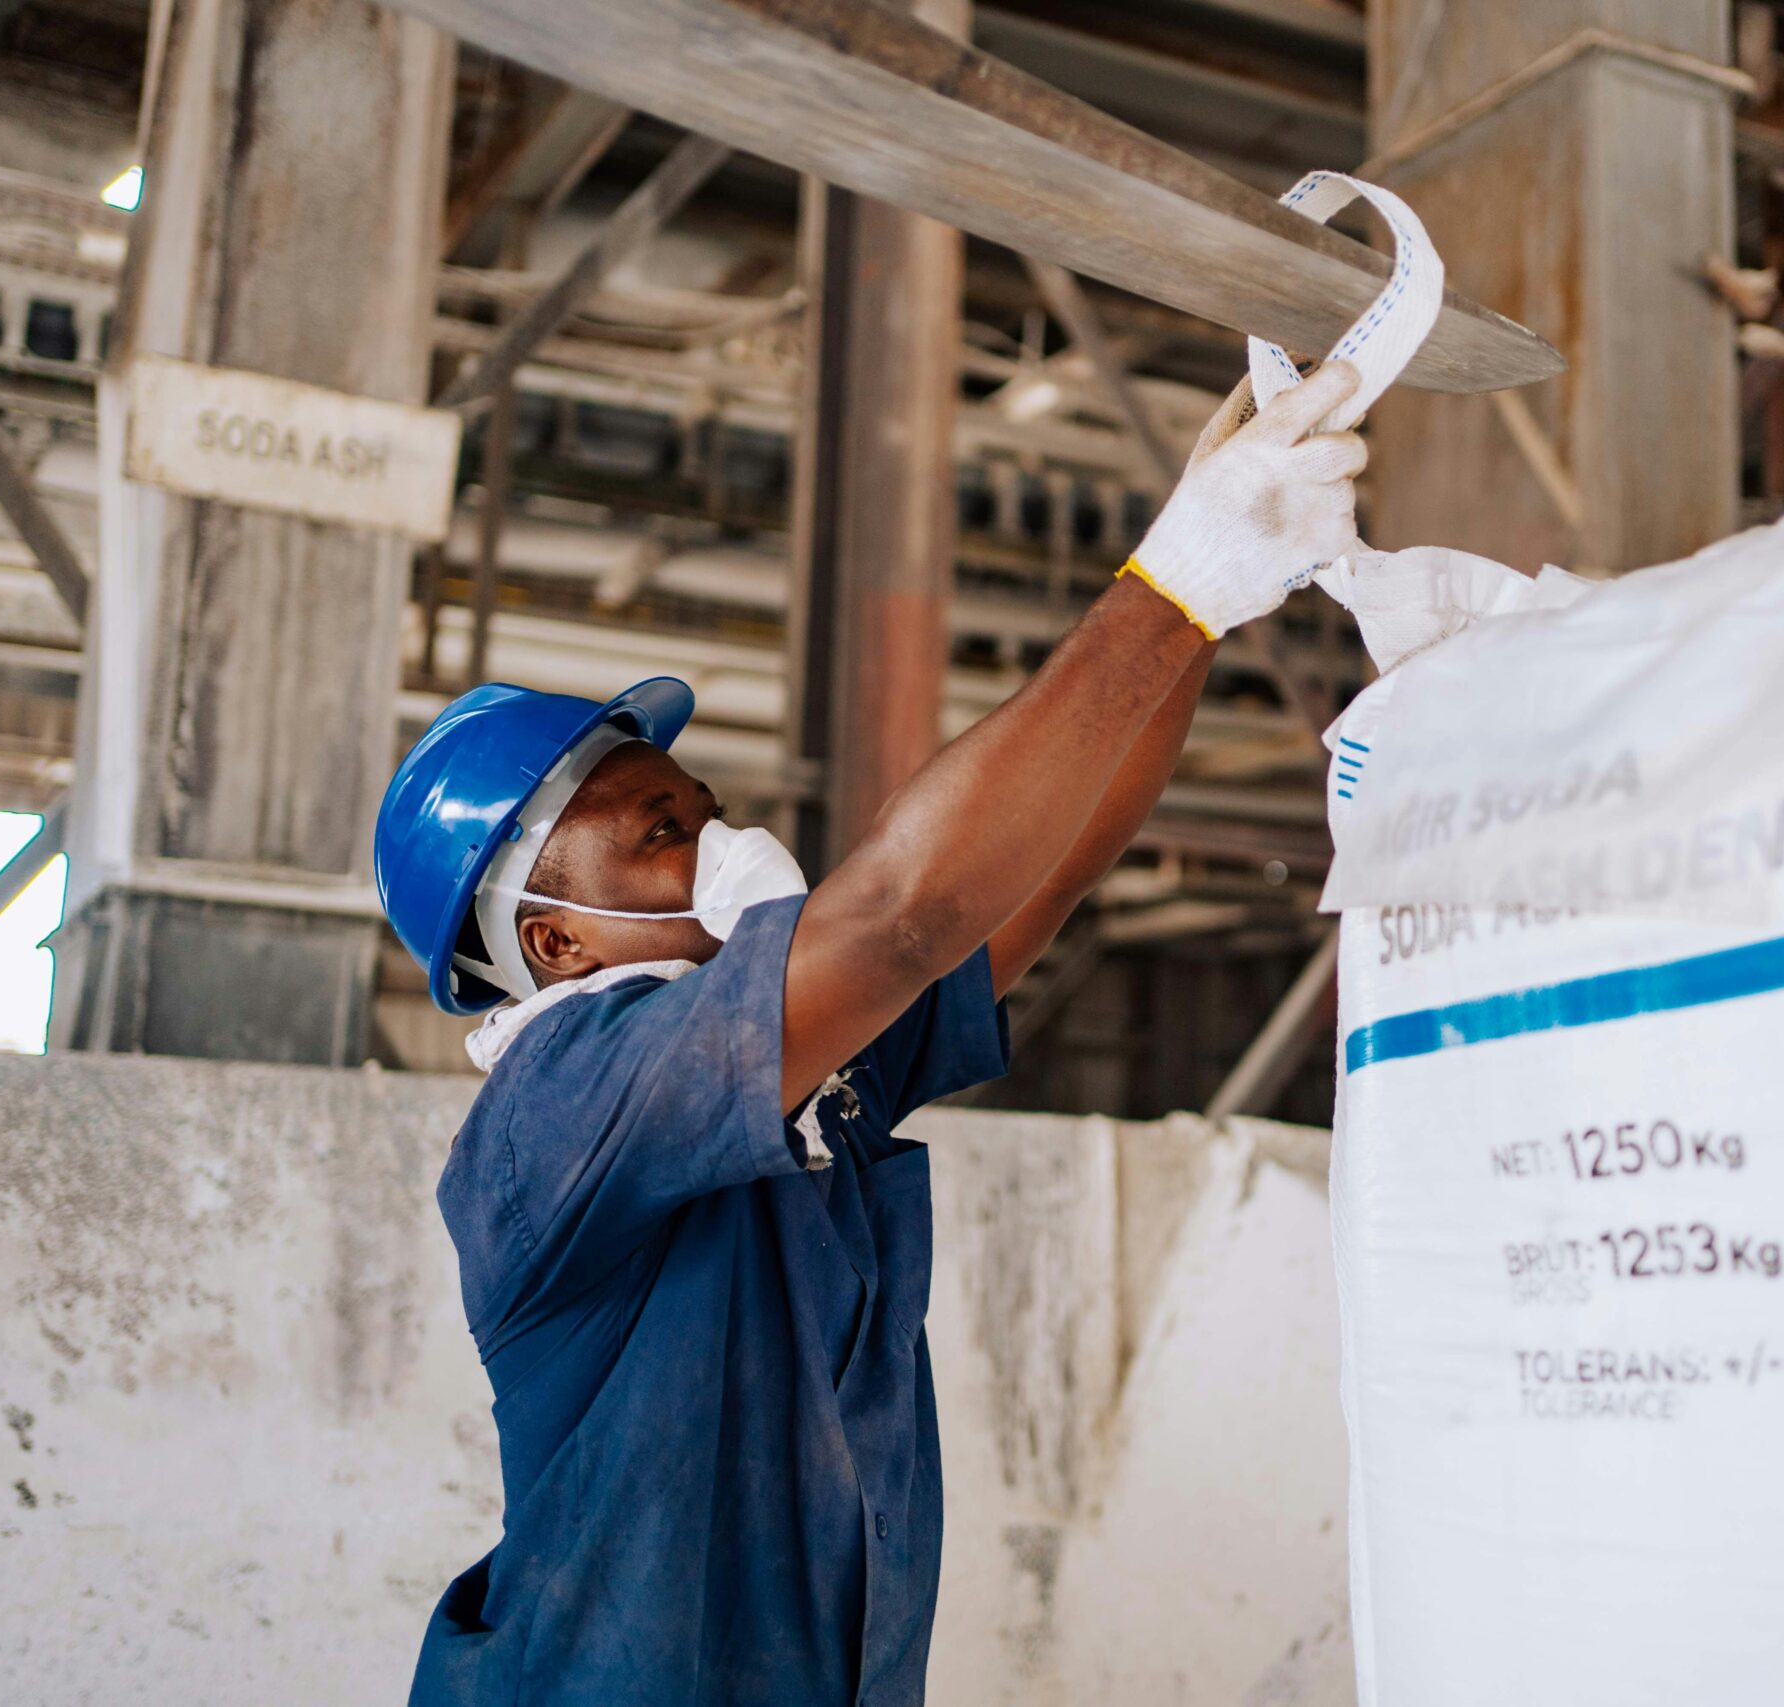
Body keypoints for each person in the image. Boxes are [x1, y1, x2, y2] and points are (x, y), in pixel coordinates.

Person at [371, 360, 1367, 1706]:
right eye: (664, 836)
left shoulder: (791, 1083)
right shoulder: (559, 1107)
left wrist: (1203, 610)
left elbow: (1039, 874)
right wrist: (1171, 581)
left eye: (705, 806)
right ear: (553, 941)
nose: (719, 841)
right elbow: (894, 917)